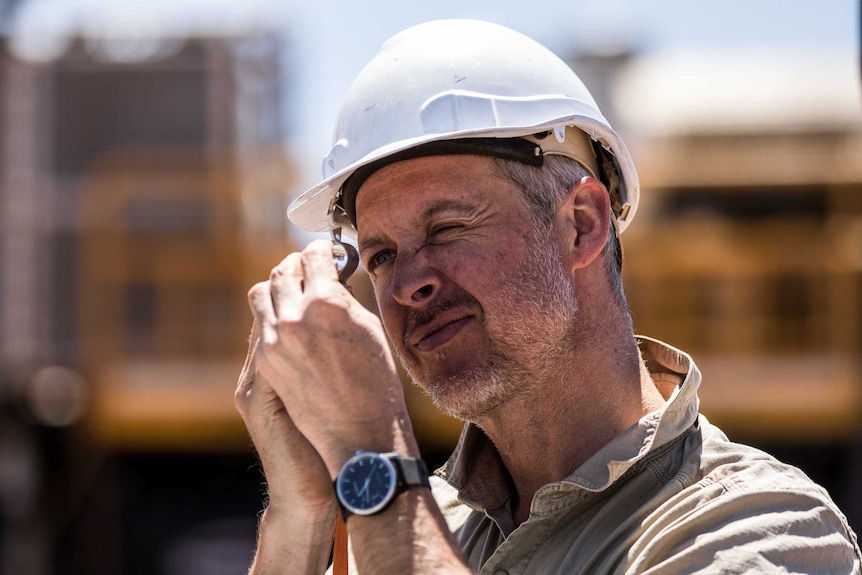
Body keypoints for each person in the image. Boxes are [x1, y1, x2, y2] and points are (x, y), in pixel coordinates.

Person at [235, 19, 862, 575]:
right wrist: (300, 513)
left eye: (448, 228)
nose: (407, 284)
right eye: (381, 256)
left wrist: (370, 452)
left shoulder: (754, 527)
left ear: (582, 224)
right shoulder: (427, 520)